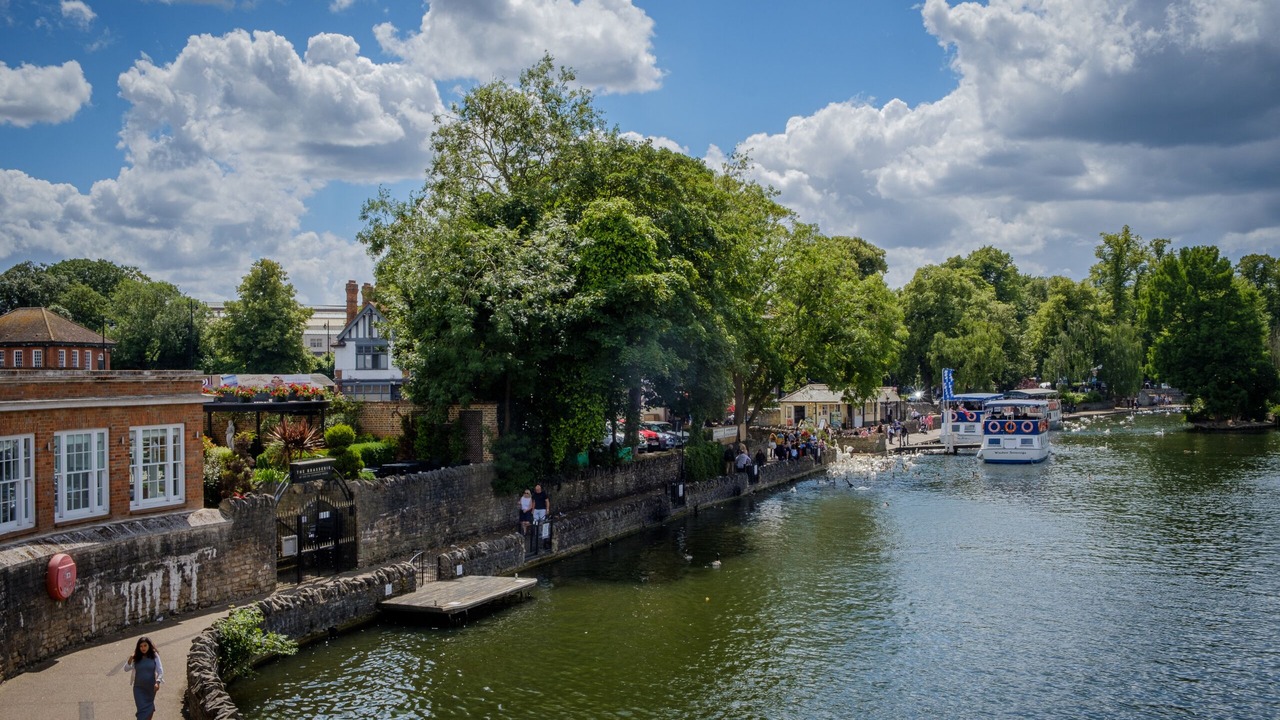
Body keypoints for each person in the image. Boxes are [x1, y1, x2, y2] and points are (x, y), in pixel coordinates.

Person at [125, 636, 163, 720]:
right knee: (141, 711)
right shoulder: (136, 657)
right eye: (141, 646)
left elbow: (160, 670)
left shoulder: (154, 655)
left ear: (149, 645)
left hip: (150, 688)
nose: (143, 648)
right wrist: (131, 658)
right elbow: (126, 668)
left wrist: (158, 682)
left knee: (149, 709)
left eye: (145, 645)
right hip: (138, 688)